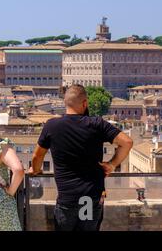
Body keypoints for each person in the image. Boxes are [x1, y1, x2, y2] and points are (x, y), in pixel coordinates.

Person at [30, 84, 133, 231]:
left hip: (66, 198)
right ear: (85, 103)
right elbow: (127, 142)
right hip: (89, 199)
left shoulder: (52, 126)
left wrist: (35, 170)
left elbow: (37, 155)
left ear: (65, 103)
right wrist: (111, 164)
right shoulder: (97, 124)